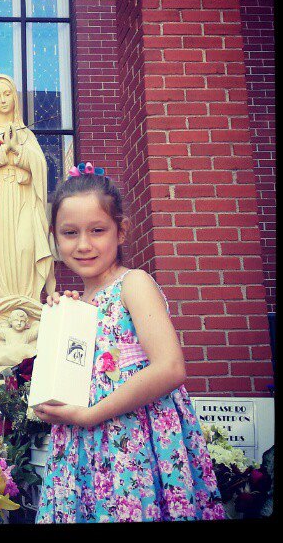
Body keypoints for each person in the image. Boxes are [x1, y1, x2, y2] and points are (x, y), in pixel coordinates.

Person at [33, 163, 225, 522]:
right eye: (70, 233)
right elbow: (67, 383)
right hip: (82, 454)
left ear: (121, 231)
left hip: (134, 447)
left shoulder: (133, 284)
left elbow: (170, 367)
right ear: (54, 238)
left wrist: (89, 415)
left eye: (98, 230)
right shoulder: (75, 306)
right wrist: (63, 324)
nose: (83, 244)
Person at [0, 74, 55, 329]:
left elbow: (40, 167)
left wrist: (18, 149)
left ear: (14, 97)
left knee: (26, 247)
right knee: (1, 251)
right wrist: (2, 150)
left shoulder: (26, 134)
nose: (3, 100)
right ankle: (1, 307)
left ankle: (28, 301)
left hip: (23, 200)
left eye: (7, 94)